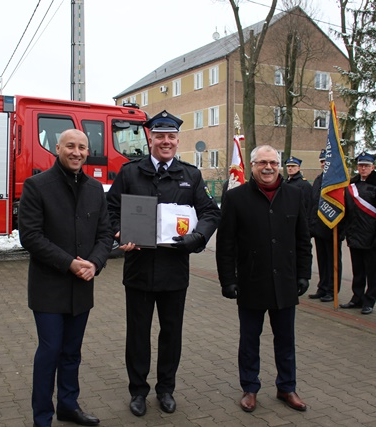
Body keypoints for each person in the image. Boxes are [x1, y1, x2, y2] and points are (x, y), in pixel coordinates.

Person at [106, 110, 221, 417]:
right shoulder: (130, 173)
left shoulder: (190, 175)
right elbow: (110, 209)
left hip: (174, 269)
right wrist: (120, 231)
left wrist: (197, 237)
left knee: (171, 333)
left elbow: (210, 213)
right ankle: (138, 391)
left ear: (177, 141)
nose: (166, 141)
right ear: (151, 139)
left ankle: (166, 389)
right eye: (160, 137)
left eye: (171, 137)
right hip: (139, 268)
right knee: (138, 334)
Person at [19, 129, 113, 427]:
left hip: (81, 285)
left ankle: (68, 406)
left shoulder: (95, 189)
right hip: (49, 288)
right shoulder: (37, 186)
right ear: (57, 148)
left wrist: (95, 263)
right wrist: (69, 263)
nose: (76, 152)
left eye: (82, 147)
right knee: (50, 351)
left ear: (88, 152)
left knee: (72, 352)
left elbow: (105, 233)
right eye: (70, 146)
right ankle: (42, 417)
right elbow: (30, 236)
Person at [216, 145, 312, 413]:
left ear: (278, 166)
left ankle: (287, 387)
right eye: (262, 163)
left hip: (285, 282)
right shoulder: (235, 198)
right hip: (251, 281)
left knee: (286, 340)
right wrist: (228, 280)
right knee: (249, 340)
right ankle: (250, 388)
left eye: (273, 162)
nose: (268, 167)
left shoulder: (294, 195)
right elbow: (226, 244)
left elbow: (303, 239)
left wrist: (304, 273)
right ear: (253, 165)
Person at [340, 152, 376, 315]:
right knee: (357, 270)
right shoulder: (351, 185)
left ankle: (369, 301)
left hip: (371, 236)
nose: (363, 168)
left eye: (367, 166)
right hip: (354, 234)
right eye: (361, 165)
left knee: (371, 272)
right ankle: (357, 297)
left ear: (373, 167)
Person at [308, 149, 345, 302]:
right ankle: (322, 287)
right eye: (322, 162)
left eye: (326, 161)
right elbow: (313, 204)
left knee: (333, 261)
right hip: (319, 228)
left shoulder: (337, 182)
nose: (324, 164)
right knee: (322, 260)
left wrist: (341, 230)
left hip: (332, 228)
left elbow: (343, 207)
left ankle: (332, 289)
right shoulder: (318, 180)